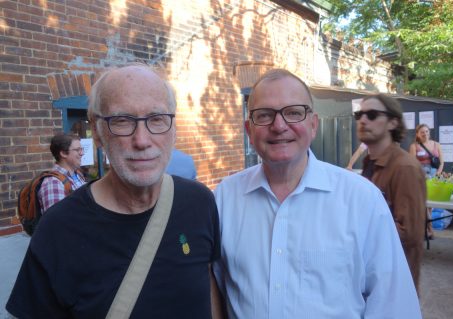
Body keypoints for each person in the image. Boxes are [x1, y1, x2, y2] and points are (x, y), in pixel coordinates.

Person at [7, 63, 222, 318]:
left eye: (156, 119)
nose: (142, 141)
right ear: (98, 134)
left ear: (173, 129)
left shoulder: (200, 203)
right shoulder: (58, 229)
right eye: (122, 121)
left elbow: (208, 286)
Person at [213, 69, 421, 318]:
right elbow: (215, 291)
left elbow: (394, 306)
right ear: (249, 129)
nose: (279, 126)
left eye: (293, 113)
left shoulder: (362, 200)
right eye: (264, 115)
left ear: (313, 125)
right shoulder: (225, 198)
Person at [356, 94, 426, 291]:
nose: (362, 120)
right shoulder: (370, 163)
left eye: (372, 115)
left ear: (392, 122)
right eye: (359, 114)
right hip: (369, 277)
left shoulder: (405, 167)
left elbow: (410, 233)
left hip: (392, 284)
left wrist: (353, 228)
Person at [409, 123, 444, 239]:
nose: (425, 134)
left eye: (427, 131)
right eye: (422, 132)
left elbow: (442, 162)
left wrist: (438, 174)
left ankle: (427, 229)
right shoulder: (414, 146)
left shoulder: (436, 144)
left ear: (429, 132)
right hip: (420, 177)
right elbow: (412, 164)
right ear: (418, 134)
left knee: (430, 205)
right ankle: (430, 230)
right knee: (424, 204)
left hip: (434, 177)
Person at [38, 133, 86, 214]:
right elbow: (56, 222)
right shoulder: (53, 183)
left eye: (81, 149)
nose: (82, 153)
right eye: (78, 150)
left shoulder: (78, 175)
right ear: (63, 153)